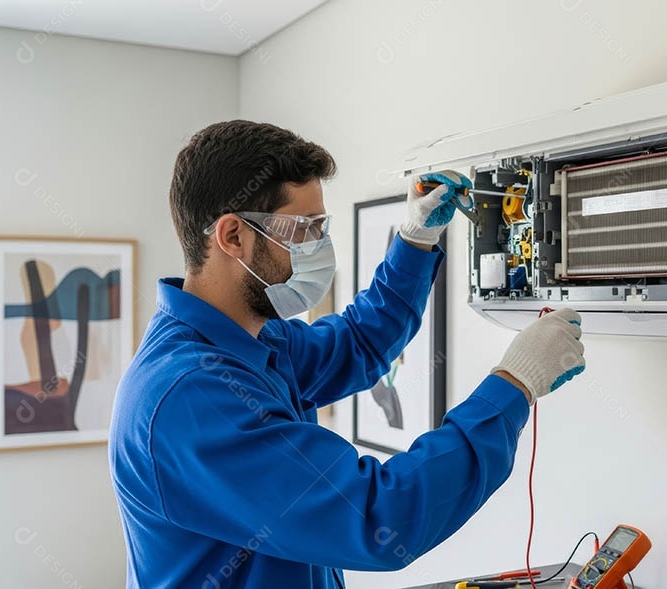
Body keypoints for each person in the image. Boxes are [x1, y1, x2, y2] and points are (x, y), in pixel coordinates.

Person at [108, 120, 586, 588]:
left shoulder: (253, 339)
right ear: (233, 236)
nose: (320, 246)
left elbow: (357, 343)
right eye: (305, 229)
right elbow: (379, 517)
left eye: (323, 227)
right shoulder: (191, 395)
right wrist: (515, 384)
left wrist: (415, 240)